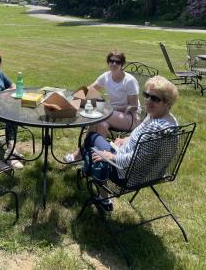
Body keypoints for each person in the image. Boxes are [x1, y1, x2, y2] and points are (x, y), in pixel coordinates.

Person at [81, 75, 179, 211]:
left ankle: (102, 196)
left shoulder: (156, 127)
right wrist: (124, 140)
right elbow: (140, 139)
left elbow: (137, 160)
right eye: (146, 95)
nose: (148, 101)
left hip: (128, 174)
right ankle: (89, 164)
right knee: (96, 145)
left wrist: (112, 157)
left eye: (155, 98)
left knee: (92, 137)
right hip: (152, 174)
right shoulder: (166, 119)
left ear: (168, 103)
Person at [64, 49, 139, 163]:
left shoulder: (129, 81)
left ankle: (80, 154)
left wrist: (112, 108)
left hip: (130, 118)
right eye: (111, 61)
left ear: (122, 64)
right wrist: (73, 99)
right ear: (108, 62)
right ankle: (95, 158)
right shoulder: (106, 76)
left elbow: (133, 107)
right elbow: (90, 89)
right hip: (112, 115)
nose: (114, 64)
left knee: (100, 113)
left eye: (117, 62)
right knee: (101, 123)